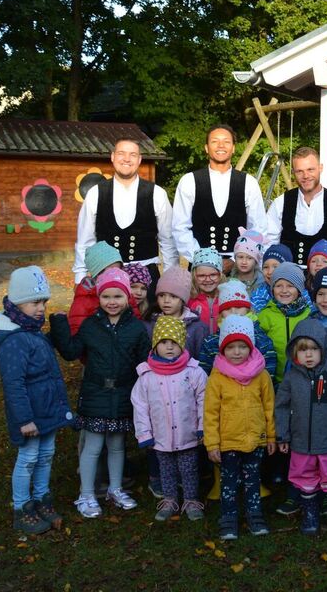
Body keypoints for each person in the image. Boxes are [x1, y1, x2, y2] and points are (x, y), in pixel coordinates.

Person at [50, 268, 151, 519]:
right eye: (106, 296)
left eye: (118, 296)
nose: (112, 302)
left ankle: (115, 489)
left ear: (127, 298)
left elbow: (143, 362)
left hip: (123, 393)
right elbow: (72, 351)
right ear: (99, 297)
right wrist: (60, 324)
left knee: (117, 445)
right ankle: (86, 493)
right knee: (93, 445)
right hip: (95, 393)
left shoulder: (136, 329)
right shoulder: (90, 326)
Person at [0, 267, 74, 535]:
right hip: (31, 415)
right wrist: (24, 419)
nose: (41, 308)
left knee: (46, 454)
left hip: (45, 410)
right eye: (35, 302)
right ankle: (22, 507)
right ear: (16, 303)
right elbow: (14, 383)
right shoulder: (14, 340)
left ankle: (42, 499)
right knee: (28, 457)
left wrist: (58, 327)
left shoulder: (31, 330)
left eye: (44, 302)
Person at [275, 319, 327, 536]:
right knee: (304, 478)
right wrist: (282, 435)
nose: (308, 355)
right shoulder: (291, 378)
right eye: (303, 350)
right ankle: (310, 513)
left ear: (323, 349)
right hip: (300, 442)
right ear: (295, 352)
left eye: (313, 349)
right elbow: (281, 407)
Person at [204, 316, 276, 539]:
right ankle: (228, 518)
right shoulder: (217, 378)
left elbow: (269, 407)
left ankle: (254, 515)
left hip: (255, 438)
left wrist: (271, 437)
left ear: (251, 347)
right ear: (223, 349)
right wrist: (212, 443)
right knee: (229, 481)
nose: (237, 352)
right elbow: (210, 413)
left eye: (242, 346)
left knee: (253, 479)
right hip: (228, 441)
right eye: (231, 347)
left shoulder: (261, 375)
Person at [131, 317, 207, 523]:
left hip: (188, 433)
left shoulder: (194, 372)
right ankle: (169, 499)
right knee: (166, 470)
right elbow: (140, 406)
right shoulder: (146, 376)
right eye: (164, 343)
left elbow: (204, 401)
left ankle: (191, 500)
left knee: (189, 469)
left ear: (182, 344)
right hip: (160, 435)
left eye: (174, 342)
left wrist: (202, 428)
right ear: (155, 345)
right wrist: (144, 434)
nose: (169, 347)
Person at [73, 137, 178, 283]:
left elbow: (168, 241)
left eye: (133, 155)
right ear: (113, 156)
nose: (127, 159)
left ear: (139, 159)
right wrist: (80, 279)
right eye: (121, 153)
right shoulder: (95, 193)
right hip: (106, 277)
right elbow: (85, 242)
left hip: (147, 278)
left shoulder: (157, 194)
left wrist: (170, 279)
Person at [172, 124, 267, 264]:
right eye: (215, 141)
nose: (221, 146)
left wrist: (237, 260)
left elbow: (258, 229)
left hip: (239, 266)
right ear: (206, 147)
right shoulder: (188, 181)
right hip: (200, 266)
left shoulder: (249, 182)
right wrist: (203, 260)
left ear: (233, 148)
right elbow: (179, 228)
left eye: (226, 142)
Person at [263, 147, 327, 265]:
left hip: (325, 279)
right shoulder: (280, 203)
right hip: (286, 280)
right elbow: (268, 245)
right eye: (299, 171)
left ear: (320, 168)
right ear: (293, 172)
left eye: (310, 169)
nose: (305, 176)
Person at [256, 262, 313, 383]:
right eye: (278, 286)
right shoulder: (265, 315)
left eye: (290, 286)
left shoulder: (308, 315)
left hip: (302, 380)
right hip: (271, 379)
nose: (284, 290)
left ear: (299, 289)